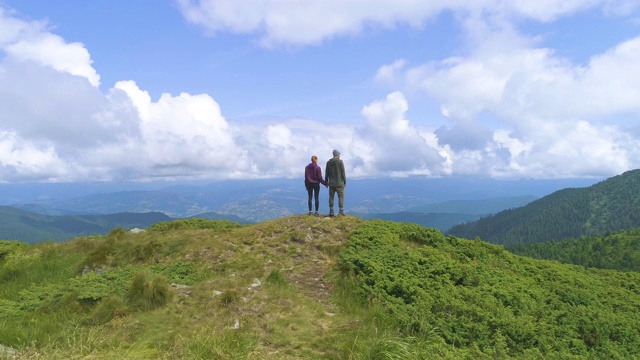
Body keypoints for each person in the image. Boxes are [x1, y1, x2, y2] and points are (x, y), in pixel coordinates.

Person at [325, 149, 347, 216]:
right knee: (340, 196)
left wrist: (326, 182)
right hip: (339, 183)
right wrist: (345, 181)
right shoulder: (340, 162)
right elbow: (343, 172)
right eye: (339, 155)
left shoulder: (328, 163)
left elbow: (327, 173)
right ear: (338, 155)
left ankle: (331, 211)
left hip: (331, 183)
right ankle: (341, 211)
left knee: (331, 197)